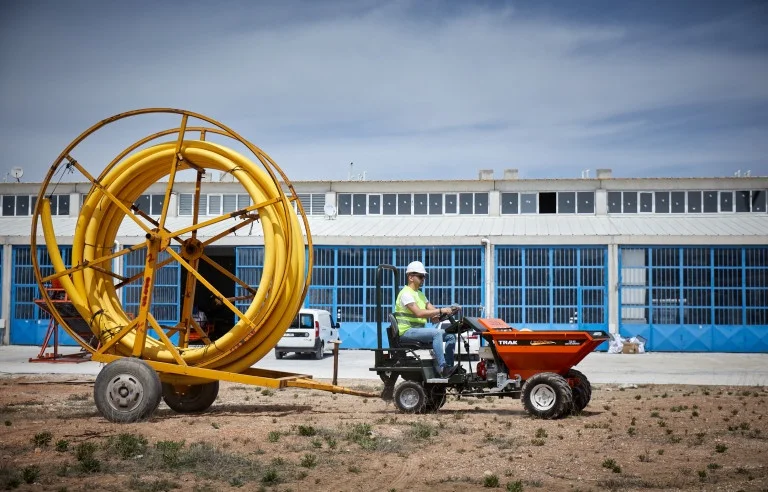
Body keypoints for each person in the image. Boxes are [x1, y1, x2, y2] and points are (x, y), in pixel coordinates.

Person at [395, 260, 461, 377]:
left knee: (451, 336)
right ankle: (443, 368)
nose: (423, 279)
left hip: (418, 331)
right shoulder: (406, 294)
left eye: (424, 277)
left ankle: (450, 368)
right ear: (411, 277)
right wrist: (441, 310)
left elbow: (433, 313)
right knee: (436, 333)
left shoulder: (420, 294)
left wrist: (450, 311)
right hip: (407, 331)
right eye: (421, 276)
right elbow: (419, 313)